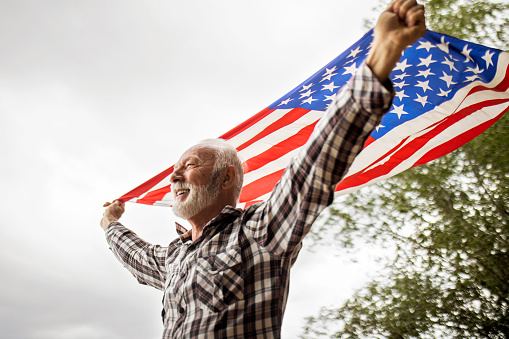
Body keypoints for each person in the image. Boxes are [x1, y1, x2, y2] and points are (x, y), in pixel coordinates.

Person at [101, 0, 426, 337]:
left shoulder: (260, 231)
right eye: (175, 169)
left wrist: (384, 51)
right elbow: (136, 255)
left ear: (226, 176)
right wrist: (110, 223)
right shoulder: (174, 258)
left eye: (189, 166)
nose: (174, 176)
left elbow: (313, 167)